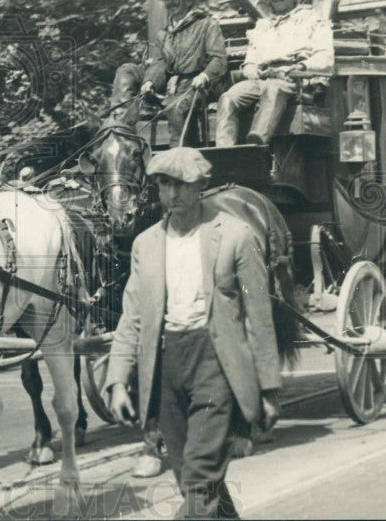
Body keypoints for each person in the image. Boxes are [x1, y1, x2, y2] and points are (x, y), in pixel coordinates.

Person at [104, 148, 281, 519]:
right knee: (191, 476)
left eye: (182, 186)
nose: (172, 195)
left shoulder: (236, 236)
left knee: (200, 474)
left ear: (201, 185)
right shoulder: (146, 244)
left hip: (215, 362)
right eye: (164, 185)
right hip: (166, 367)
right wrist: (118, 379)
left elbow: (258, 317)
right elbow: (132, 316)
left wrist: (268, 388)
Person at [215, 0, 334, 147]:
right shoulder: (263, 26)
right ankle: (225, 151)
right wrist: (250, 68)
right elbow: (251, 59)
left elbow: (325, 57)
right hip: (262, 78)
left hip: (292, 78)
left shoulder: (311, 19)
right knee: (229, 97)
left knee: (273, 90)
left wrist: (300, 67)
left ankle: (256, 145)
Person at [110, 0, 227, 146]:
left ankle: (177, 161)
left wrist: (205, 76)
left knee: (175, 107)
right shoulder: (163, 34)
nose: (170, 3)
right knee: (126, 71)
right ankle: (122, 134)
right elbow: (159, 63)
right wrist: (149, 81)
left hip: (196, 85)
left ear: (188, 0)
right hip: (168, 87)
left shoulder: (207, 25)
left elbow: (218, 59)